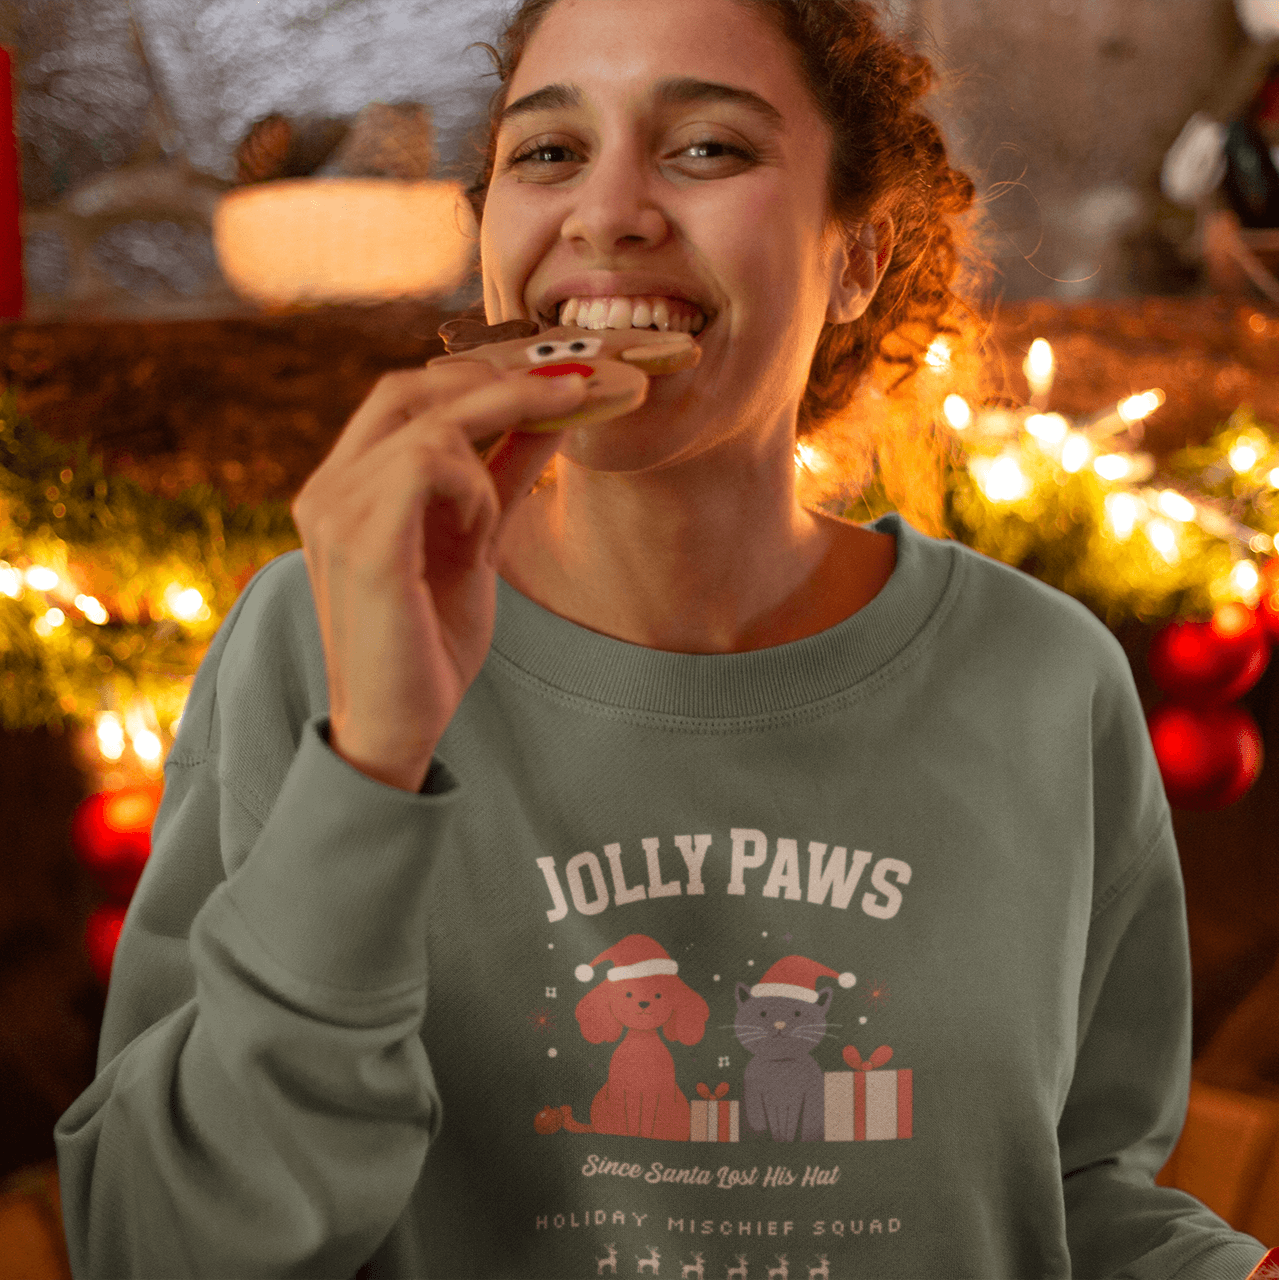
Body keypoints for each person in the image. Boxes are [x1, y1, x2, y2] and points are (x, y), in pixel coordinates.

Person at [54, 1, 1277, 1277]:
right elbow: (154, 1244)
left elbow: (1071, 1199)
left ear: (857, 252)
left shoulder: (1043, 676)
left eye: (704, 148)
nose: (607, 213)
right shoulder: (315, 636)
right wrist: (373, 755)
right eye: (546, 154)